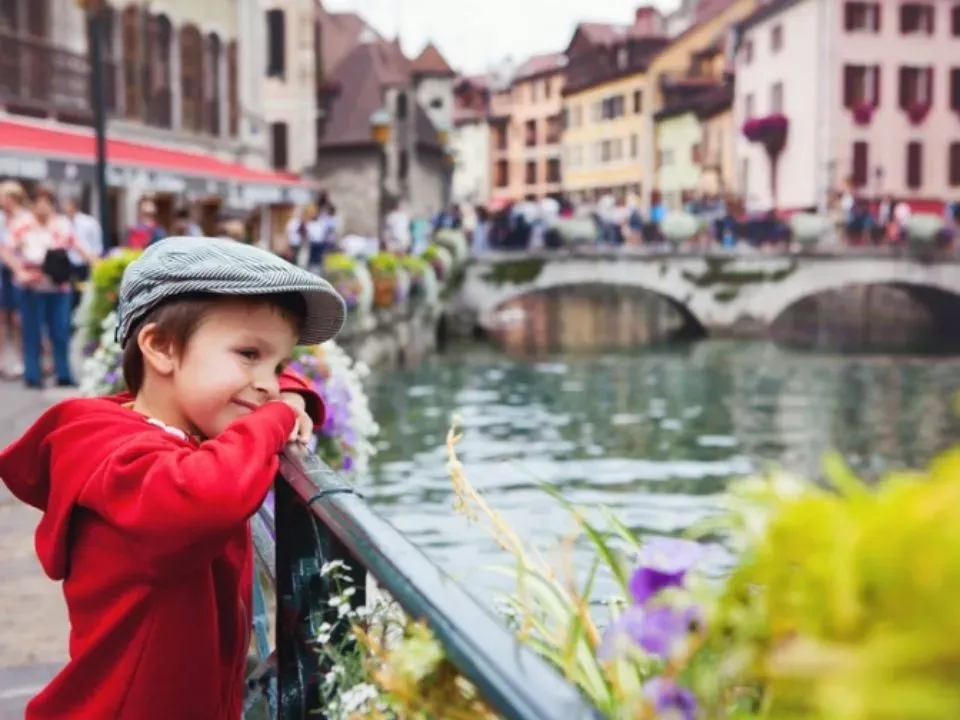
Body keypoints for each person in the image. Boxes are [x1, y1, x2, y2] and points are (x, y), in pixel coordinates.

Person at [0, 236, 345, 719]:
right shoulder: (116, 455)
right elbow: (208, 498)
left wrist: (291, 394)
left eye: (278, 364)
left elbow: (253, 389)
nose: (268, 383)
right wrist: (275, 418)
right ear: (160, 346)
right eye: (249, 354)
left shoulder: (178, 429)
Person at [0, 184, 98, 388]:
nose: (43, 207)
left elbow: (78, 245)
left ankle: (63, 373)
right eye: (39, 202)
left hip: (58, 286)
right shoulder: (23, 224)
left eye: (47, 202)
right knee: (32, 332)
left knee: (60, 332)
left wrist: (96, 262)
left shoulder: (61, 224)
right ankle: (33, 375)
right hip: (32, 287)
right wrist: (19, 270)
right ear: (33, 205)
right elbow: (6, 250)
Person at [0, 180, 27, 378]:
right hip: (3, 273)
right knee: (2, 318)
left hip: (21, 272)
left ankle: (23, 360)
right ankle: (2, 362)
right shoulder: (1, 219)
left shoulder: (25, 219)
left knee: (19, 319)